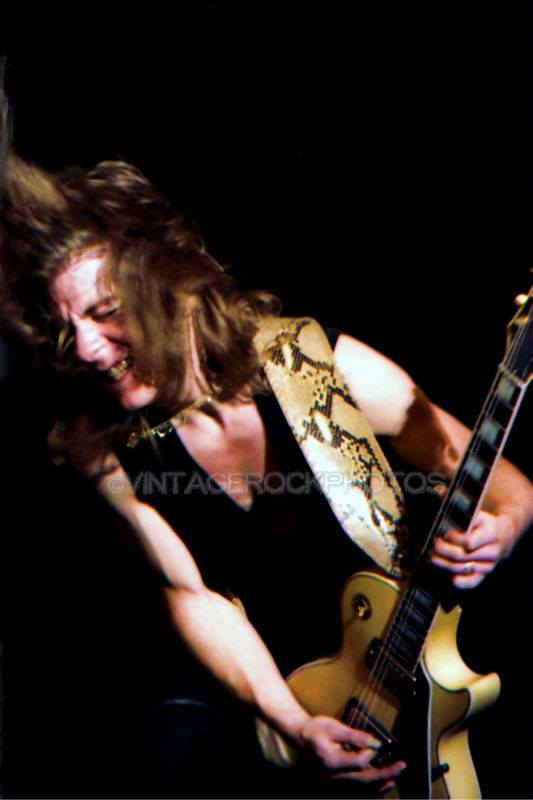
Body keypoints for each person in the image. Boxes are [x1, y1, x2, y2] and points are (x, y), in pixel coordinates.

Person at [0, 152, 531, 799]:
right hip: (290, 713)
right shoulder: (104, 449)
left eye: (106, 311)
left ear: (172, 285)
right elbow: (190, 593)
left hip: (429, 681)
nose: (86, 348)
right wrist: (295, 722)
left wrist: (505, 527)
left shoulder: (315, 364)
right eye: (67, 328)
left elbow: (492, 474)